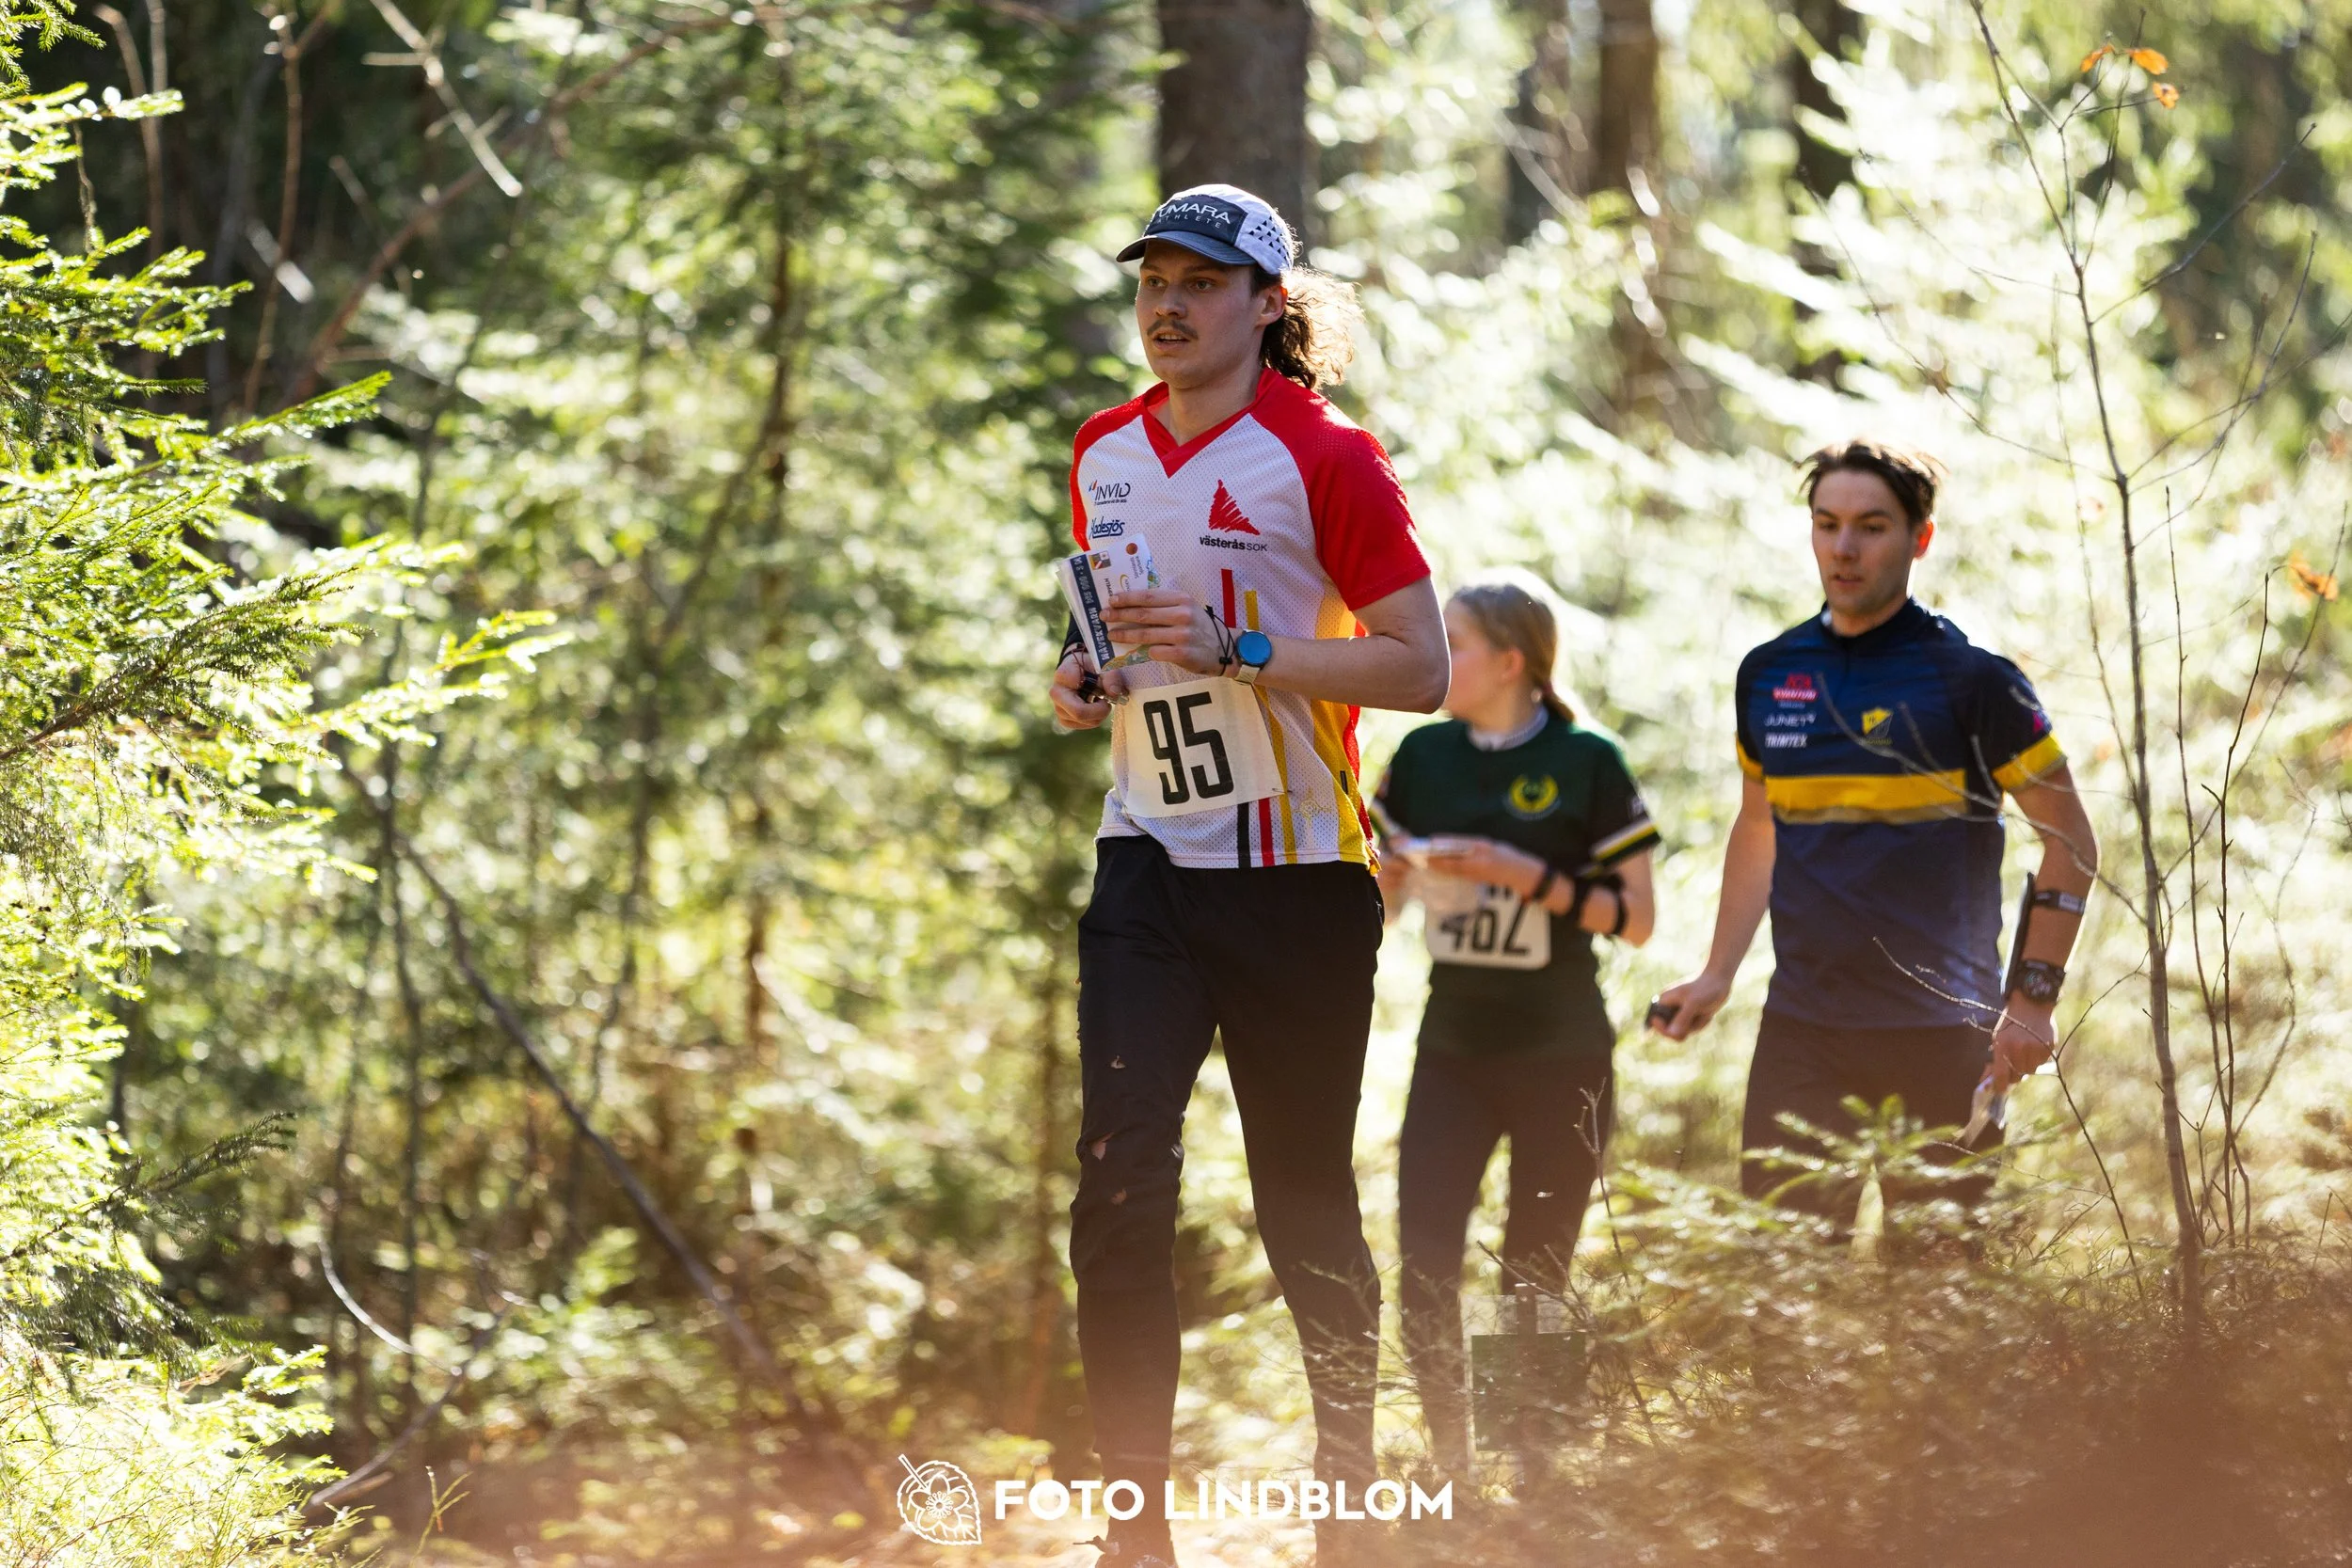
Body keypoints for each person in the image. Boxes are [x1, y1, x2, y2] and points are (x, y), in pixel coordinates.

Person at [1047, 183, 1448, 1568]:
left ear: (1268, 304)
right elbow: (1112, 642)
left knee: (1301, 1195)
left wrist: (1251, 653)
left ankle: (1350, 1500)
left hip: (1296, 876)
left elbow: (1422, 665)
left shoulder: (1327, 455)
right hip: (1149, 854)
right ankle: (1130, 1529)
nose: (1168, 303)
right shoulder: (1102, 446)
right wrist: (1081, 678)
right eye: (1153, 278)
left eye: (1203, 282)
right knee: (1118, 1175)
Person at [1652, 438, 2099, 1221]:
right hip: (1802, 1029)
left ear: (1920, 537)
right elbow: (1760, 827)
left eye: (1871, 526)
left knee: (1935, 1295)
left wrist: (2031, 999)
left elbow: (2070, 842)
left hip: (1943, 1032)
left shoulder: (1975, 682)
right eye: (1826, 524)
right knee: (1785, 1289)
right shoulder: (1768, 672)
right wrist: (1718, 972)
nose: (1844, 548)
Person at [1372, 577, 1659, 1479]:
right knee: (1424, 1256)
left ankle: (1527, 1463)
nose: (1432, 654)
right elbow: (1374, 903)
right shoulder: (1422, 754)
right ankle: (1451, 1455)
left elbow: (1637, 917)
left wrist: (1518, 873)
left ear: (1511, 659)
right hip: (1452, 1048)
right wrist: (1395, 872)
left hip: (1562, 1051)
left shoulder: (1588, 759)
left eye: (1451, 641)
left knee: (1534, 1270)